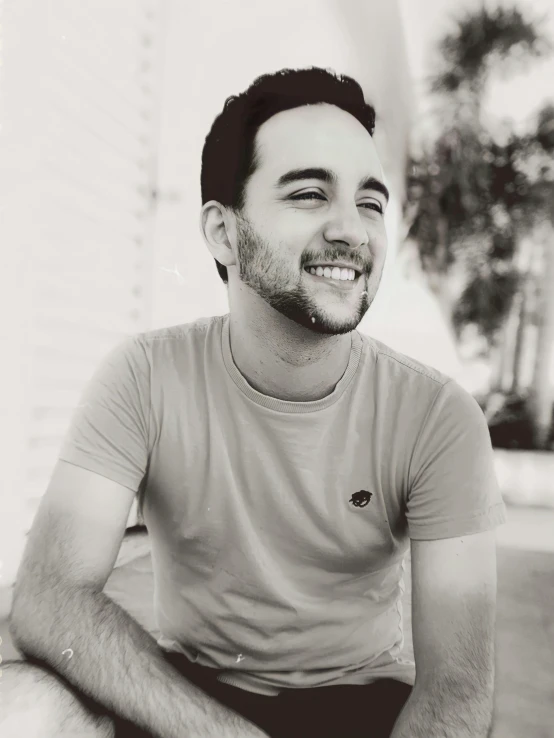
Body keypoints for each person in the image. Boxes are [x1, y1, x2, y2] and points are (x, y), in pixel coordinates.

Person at [4, 67, 506, 738]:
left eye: (371, 203)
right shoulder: (144, 376)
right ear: (222, 231)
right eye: (308, 193)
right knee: (23, 709)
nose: (352, 230)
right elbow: (47, 598)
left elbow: (457, 690)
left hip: (360, 707)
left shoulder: (438, 417)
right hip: (189, 698)